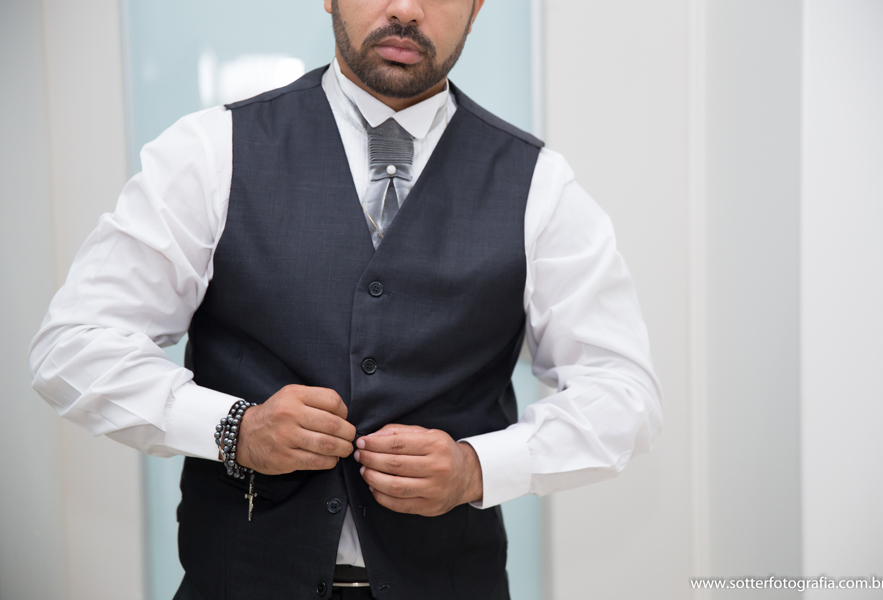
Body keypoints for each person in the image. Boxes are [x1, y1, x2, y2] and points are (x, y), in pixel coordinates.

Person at [29, 1, 663, 598]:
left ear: (477, 6)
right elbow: (74, 346)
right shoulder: (208, 152)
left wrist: (478, 466)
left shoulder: (539, 184)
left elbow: (622, 395)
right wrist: (233, 429)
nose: (406, 9)